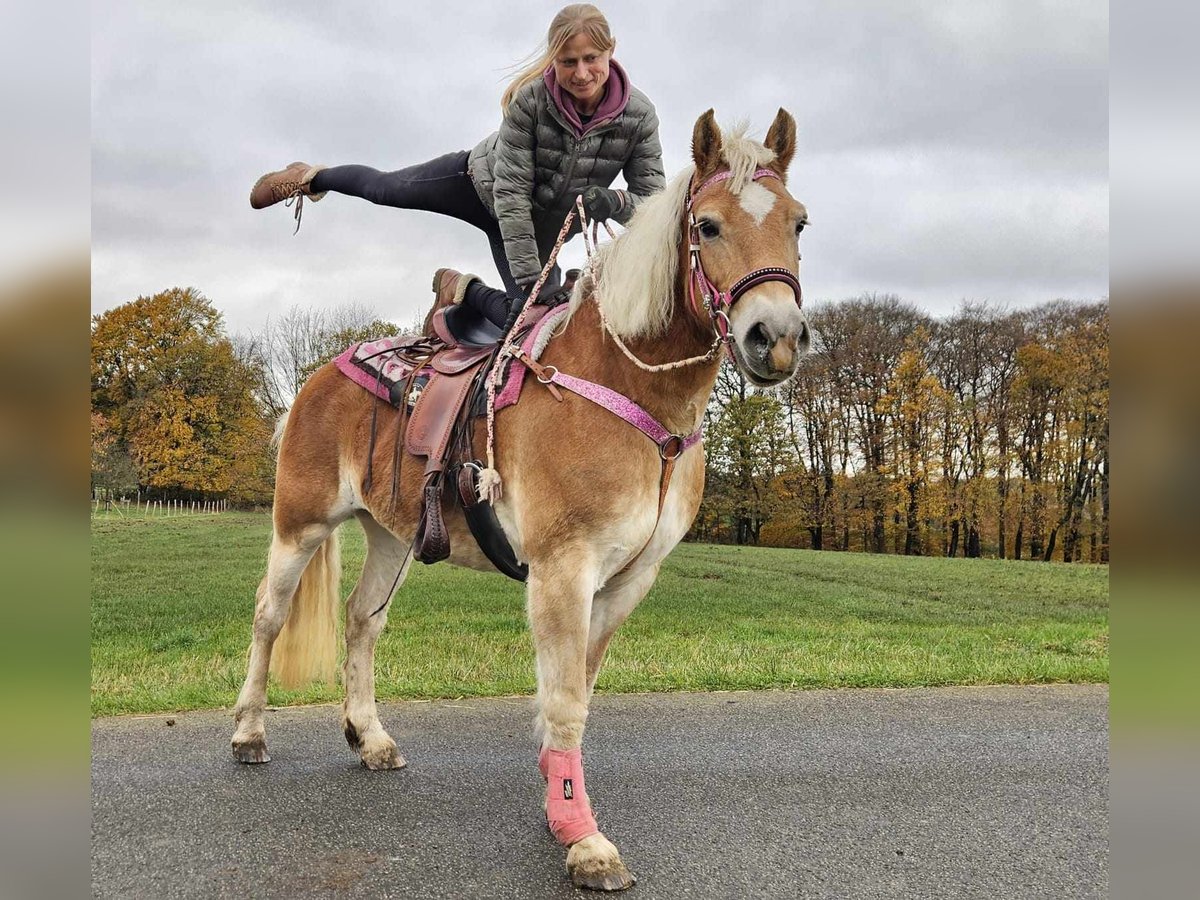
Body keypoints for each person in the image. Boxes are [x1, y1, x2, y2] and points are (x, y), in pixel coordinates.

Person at [249, 4, 665, 331]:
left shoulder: (639, 117)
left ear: (611, 50)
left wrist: (614, 201)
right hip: (480, 188)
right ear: (553, 60)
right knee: (389, 189)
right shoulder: (530, 103)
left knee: (538, 328)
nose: (581, 73)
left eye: (591, 58)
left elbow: (654, 206)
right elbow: (512, 194)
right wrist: (528, 280)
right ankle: (309, 177)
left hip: (542, 231)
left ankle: (461, 289)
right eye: (568, 61)